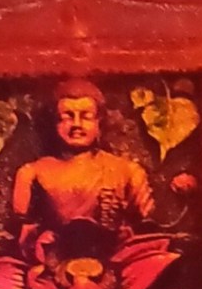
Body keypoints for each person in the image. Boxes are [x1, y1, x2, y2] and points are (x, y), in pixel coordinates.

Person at [12, 79, 154, 243]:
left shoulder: (127, 171)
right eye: (67, 117)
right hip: (53, 252)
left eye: (86, 117)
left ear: (99, 122)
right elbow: (23, 229)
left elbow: (144, 226)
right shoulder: (32, 173)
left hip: (115, 252)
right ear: (54, 122)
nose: (77, 124)